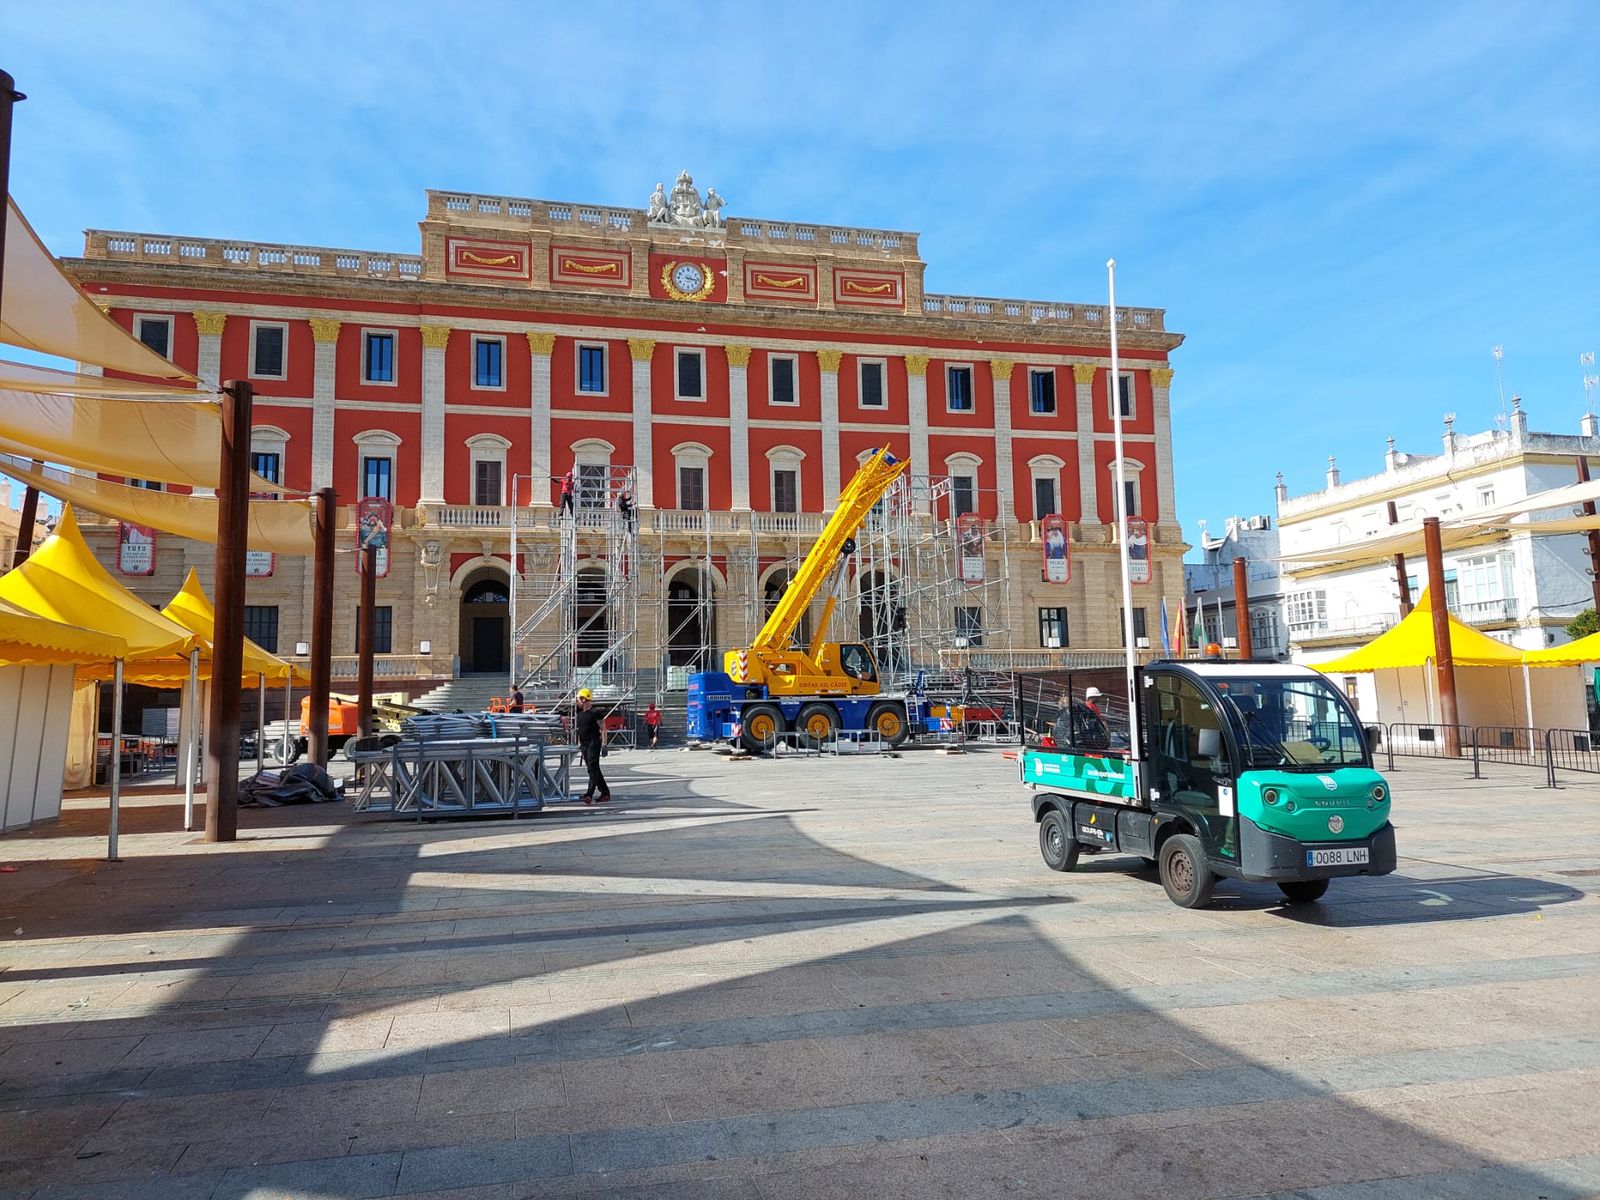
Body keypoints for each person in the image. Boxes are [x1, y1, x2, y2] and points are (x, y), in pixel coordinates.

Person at [574, 688, 610, 804]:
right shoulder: (579, 713)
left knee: (592, 769)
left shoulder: (595, 712)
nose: (577, 702)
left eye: (578, 699)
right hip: (584, 744)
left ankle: (589, 794)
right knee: (594, 769)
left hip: (593, 743)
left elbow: (603, 729)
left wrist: (604, 745)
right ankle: (605, 792)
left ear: (584, 699)